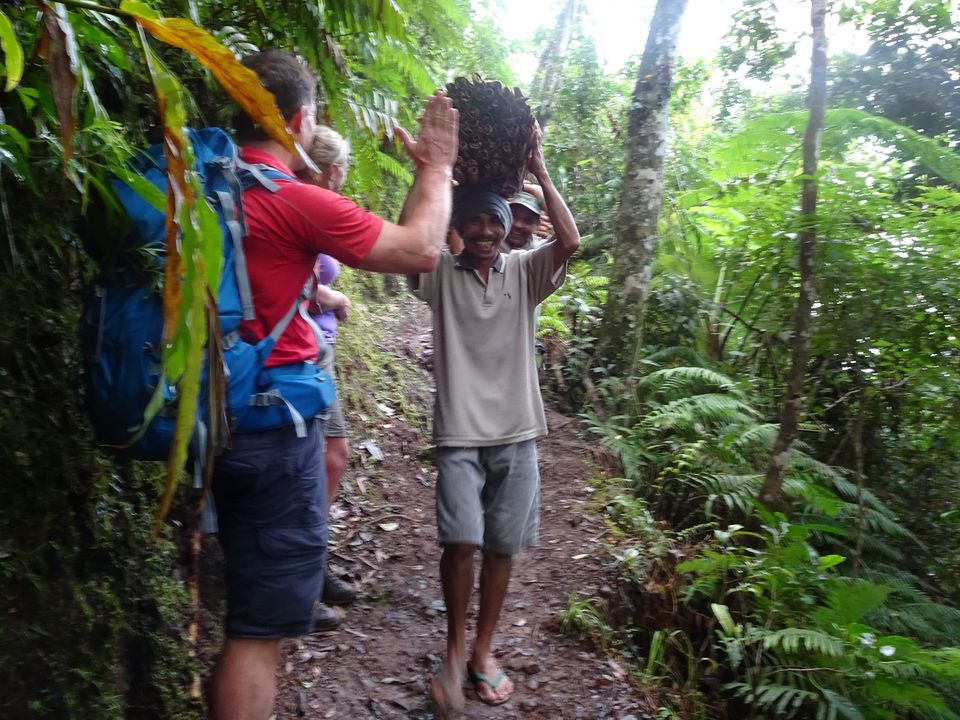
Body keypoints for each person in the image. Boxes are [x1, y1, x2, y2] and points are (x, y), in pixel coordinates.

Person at [210, 49, 458, 720]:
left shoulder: (187, 183)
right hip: (272, 432)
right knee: (257, 634)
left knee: (241, 600)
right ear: (301, 118)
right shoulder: (293, 201)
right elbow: (419, 248)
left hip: (195, 420)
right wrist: (435, 166)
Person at [409, 127, 579, 716]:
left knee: (502, 547)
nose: (486, 231)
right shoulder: (438, 273)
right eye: (475, 221)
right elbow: (413, 244)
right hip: (458, 432)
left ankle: (483, 650)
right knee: (461, 541)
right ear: (461, 225)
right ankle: (454, 651)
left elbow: (570, 242)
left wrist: (542, 172)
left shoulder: (524, 273)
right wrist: (428, 171)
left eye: (495, 222)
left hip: (517, 432)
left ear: (508, 225)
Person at [298, 125, 359, 631]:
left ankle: (313, 564)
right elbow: (292, 280)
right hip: (299, 352)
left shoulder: (307, 201)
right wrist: (334, 298)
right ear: (331, 168)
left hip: (319, 349)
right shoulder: (303, 204)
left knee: (330, 457)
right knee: (320, 459)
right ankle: (301, 572)